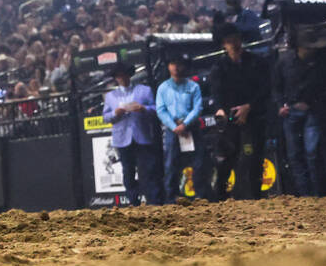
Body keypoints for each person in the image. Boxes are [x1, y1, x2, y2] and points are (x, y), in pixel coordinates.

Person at [206, 18, 270, 200]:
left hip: (254, 115)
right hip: (230, 118)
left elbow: (265, 88)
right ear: (223, 44)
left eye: (235, 39)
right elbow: (216, 92)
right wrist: (221, 109)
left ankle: (254, 197)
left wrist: (249, 107)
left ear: (240, 40)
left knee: (254, 158)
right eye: (228, 41)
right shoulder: (219, 67)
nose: (232, 44)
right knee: (225, 159)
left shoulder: (256, 62)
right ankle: (219, 197)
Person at [102, 62, 163, 205]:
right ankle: (133, 201)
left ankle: (153, 201)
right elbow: (105, 117)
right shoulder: (110, 96)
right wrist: (115, 113)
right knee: (128, 172)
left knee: (147, 171)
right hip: (122, 138)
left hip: (141, 136)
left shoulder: (144, 90)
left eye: (123, 75)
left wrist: (143, 108)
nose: (121, 78)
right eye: (118, 76)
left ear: (129, 75)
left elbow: (156, 109)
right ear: (116, 78)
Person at [271, 39, 326, 196]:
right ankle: (307, 195)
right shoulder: (285, 61)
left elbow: (276, 86)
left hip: (308, 109)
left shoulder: (313, 61)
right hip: (295, 110)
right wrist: (281, 105)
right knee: (299, 154)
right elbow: (276, 86)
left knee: (309, 153)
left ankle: (314, 194)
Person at [155, 54, 213, 202]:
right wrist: (175, 126)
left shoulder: (193, 86)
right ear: (168, 67)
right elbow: (161, 110)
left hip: (191, 127)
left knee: (199, 162)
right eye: (173, 64)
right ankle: (171, 197)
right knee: (171, 163)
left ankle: (201, 195)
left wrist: (185, 124)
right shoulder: (163, 88)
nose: (176, 67)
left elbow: (197, 108)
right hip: (172, 128)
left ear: (184, 67)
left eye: (179, 64)